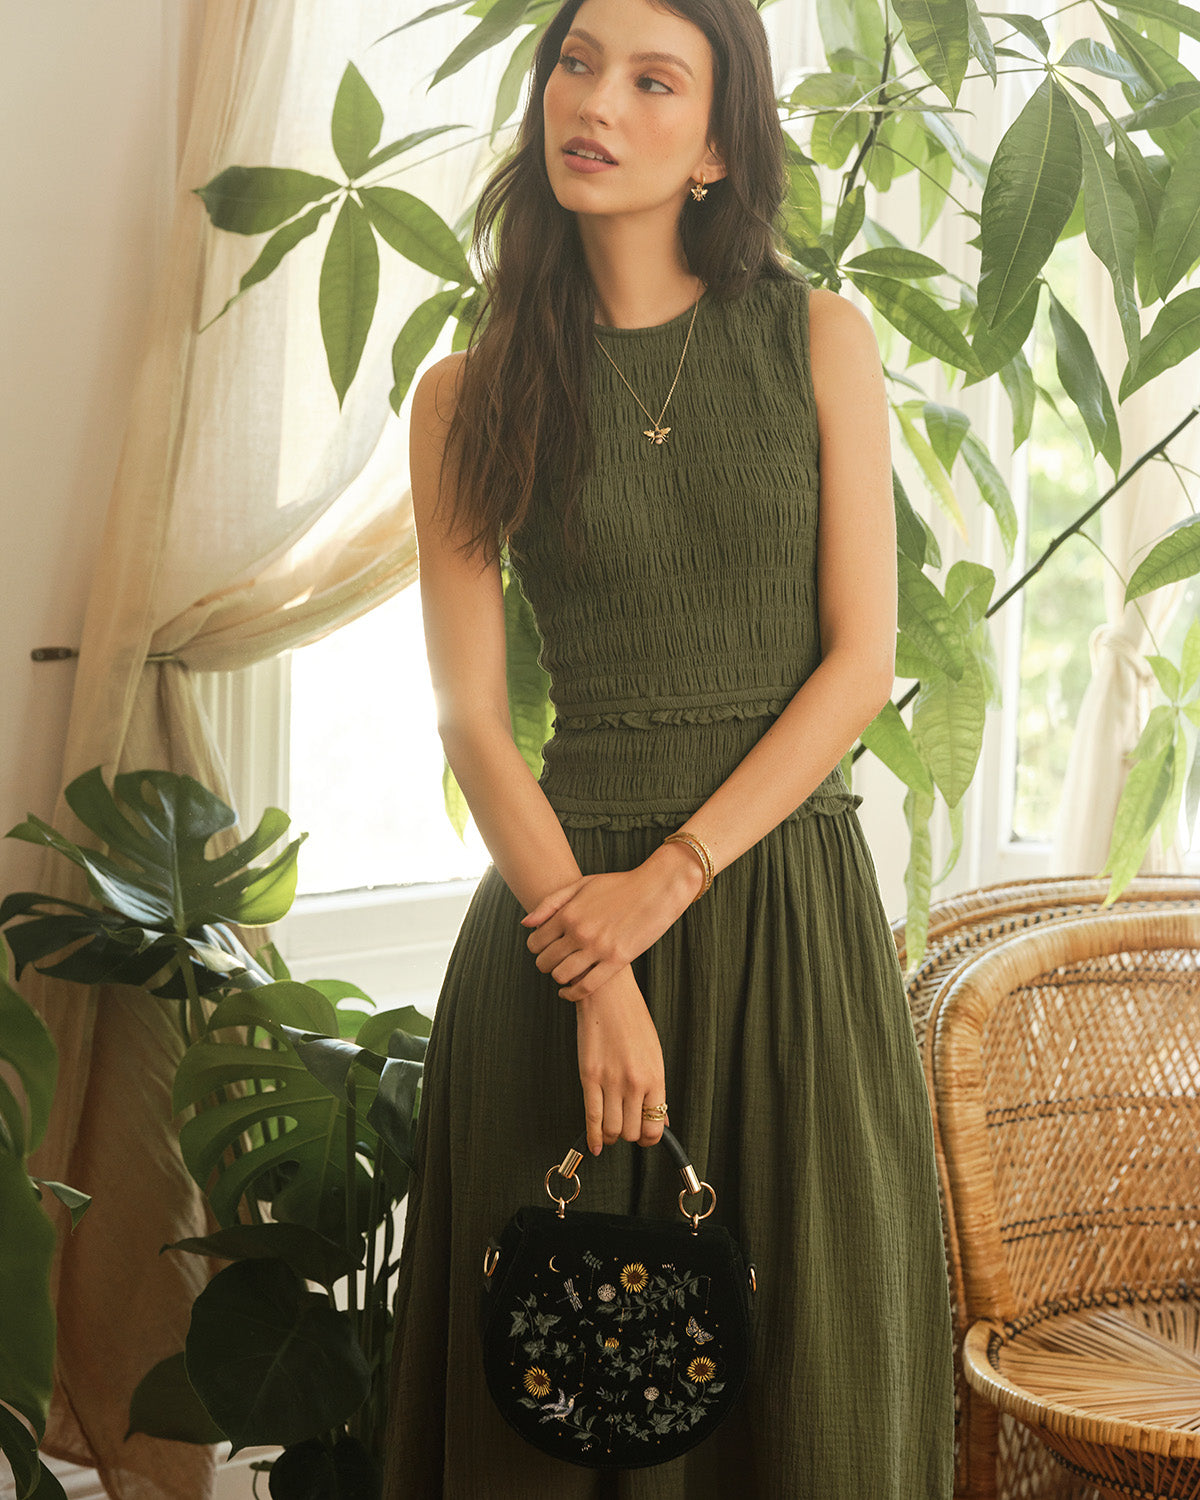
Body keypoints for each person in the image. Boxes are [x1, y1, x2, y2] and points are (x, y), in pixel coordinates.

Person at [383, 0, 955, 1493]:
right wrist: (599, 968)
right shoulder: (465, 395)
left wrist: (673, 877)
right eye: (576, 65)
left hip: (787, 919)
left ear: (716, 146)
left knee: (816, 1388)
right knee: (553, 1406)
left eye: (653, 81)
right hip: (562, 922)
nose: (596, 103)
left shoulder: (820, 338)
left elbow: (861, 664)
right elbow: (470, 718)